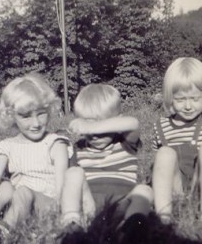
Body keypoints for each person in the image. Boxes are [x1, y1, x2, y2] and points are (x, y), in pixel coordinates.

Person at [0, 72, 73, 239]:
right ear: (11, 116)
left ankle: (1, 231)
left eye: (41, 113)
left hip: (47, 205)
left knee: (22, 191)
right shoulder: (8, 146)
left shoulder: (55, 143)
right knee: (6, 187)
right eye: (26, 116)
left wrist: (60, 213)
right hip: (18, 202)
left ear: (49, 109)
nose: (36, 123)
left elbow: (62, 189)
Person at [151, 57, 202, 237]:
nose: (188, 106)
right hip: (176, 189)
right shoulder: (161, 126)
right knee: (164, 153)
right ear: (170, 99)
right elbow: (159, 168)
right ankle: (163, 216)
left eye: (194, 98)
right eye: (180, 99)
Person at [60, 83, 153, 234]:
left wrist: (91, 127)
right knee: (72, 173)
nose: (95, 135)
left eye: (102, 127)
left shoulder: (125, 143)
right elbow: (73, 185)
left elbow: (133, 123)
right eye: (87, 126)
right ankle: (71, 223)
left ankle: (130, 227)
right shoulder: (80, 147)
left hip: (122, 205)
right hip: (90, 205)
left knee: (145, 191)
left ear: (116, 122)